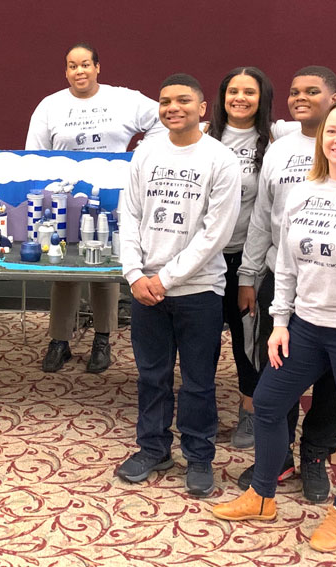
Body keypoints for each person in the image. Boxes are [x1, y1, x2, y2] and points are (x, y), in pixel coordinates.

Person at [213, 98, 336, 553]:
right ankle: (262, 494)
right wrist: (280, 321)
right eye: (332, 132)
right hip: (305, 328)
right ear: (321, 139)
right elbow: (286, 264)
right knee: (266, 403)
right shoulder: (304, 190)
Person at [235, 67, 336, 502]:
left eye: (313, 91)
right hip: (287, 288)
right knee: (276, 377)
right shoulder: (282, 151)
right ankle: (277, 456)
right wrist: (250, 275)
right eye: (294, 91)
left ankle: (316, 454)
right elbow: (263, 219)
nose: (300, 97)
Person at [117, 74, 240, 497]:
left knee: (198, 380)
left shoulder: (220, 159)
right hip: (146, 290)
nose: (173, 107)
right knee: (151, 377)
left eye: (183, 100)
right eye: (165, 100)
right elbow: (128, 216)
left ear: (203, 107)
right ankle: (153, 449)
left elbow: (215, 233)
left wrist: (165, 279)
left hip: (199, 291)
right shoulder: (145, 153)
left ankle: (200, 455)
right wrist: (134, 274)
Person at [25, 41, 164, 374]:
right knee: (64, 269)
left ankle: (103, 340)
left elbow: (162, 119)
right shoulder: (50, 105)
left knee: (104, 270)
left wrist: (139, 155)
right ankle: (59, 340)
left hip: (112, 195)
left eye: (85, 64)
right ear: (66, 71)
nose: (79, 71)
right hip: (64, 199)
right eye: (72, 66)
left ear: (98, 67)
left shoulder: (123, 98)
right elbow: (35, 152)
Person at [207, 67, 299, 449]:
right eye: (232, 91)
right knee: (203, 340)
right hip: (205, 259)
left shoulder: (278, 136)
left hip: (250, 261)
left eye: (249, 91)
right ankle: (202, 409)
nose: (239, 98)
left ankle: (249, 411)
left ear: (263, 98)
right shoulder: (206, 137)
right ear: (222, 96)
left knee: (248, 342)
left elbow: (327, 122)